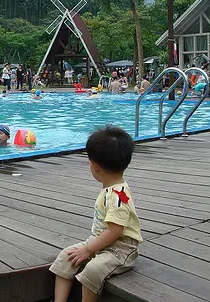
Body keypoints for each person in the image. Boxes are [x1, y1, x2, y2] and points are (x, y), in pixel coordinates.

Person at [49, 125, 141, 302]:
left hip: (121, 249)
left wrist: (89, 249)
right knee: (66, 257)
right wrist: (89, 247)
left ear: (94, 166)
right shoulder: (110, 189)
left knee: (92, 270)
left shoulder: (118, 196)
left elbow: (115, 231)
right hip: (102, 243)